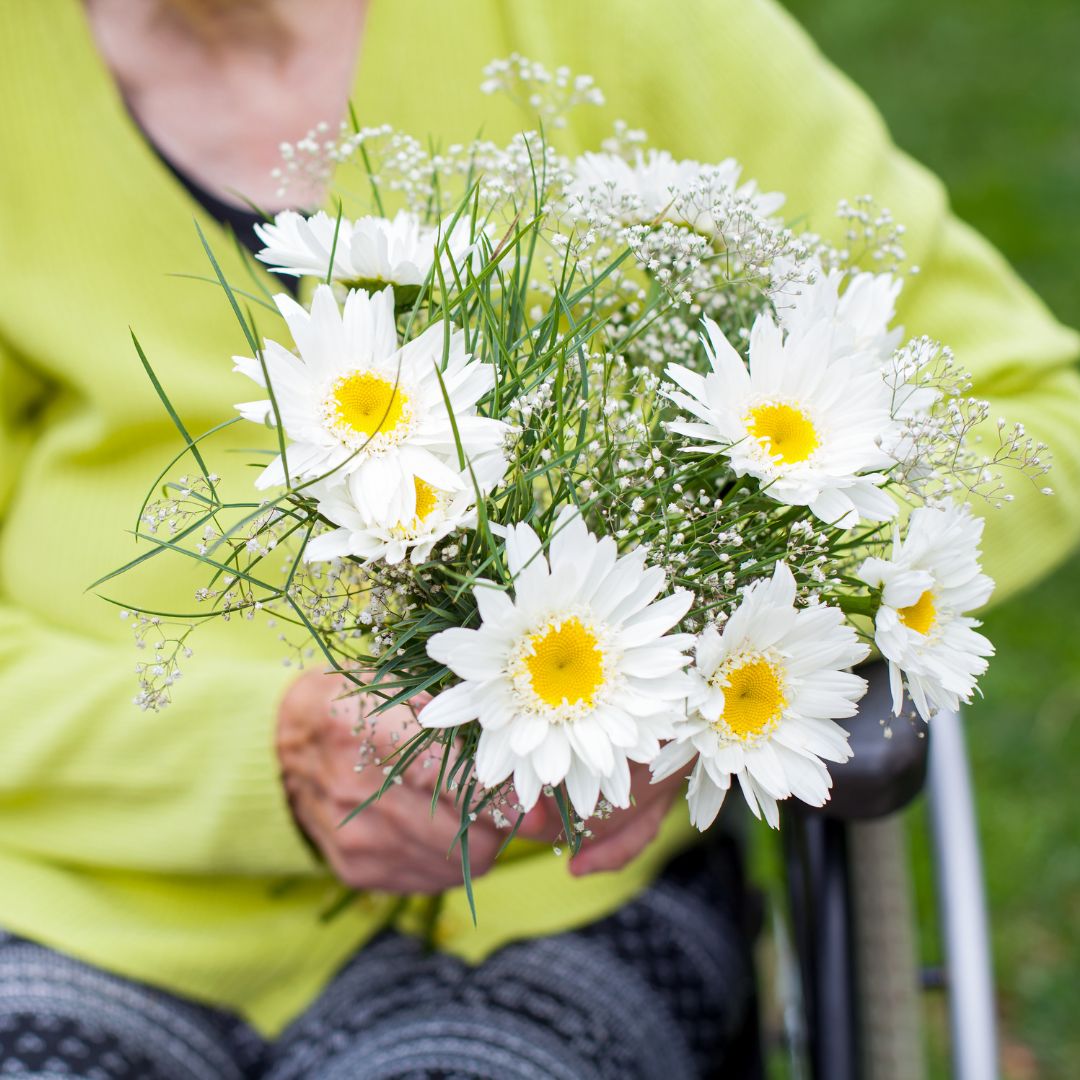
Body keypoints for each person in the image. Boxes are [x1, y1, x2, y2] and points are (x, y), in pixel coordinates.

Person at [1, 1, 1077, 1076]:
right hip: (88, 891)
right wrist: (264, 755)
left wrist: (709, 648)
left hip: (565, 896)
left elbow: (1031, 404)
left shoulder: (629, 25)